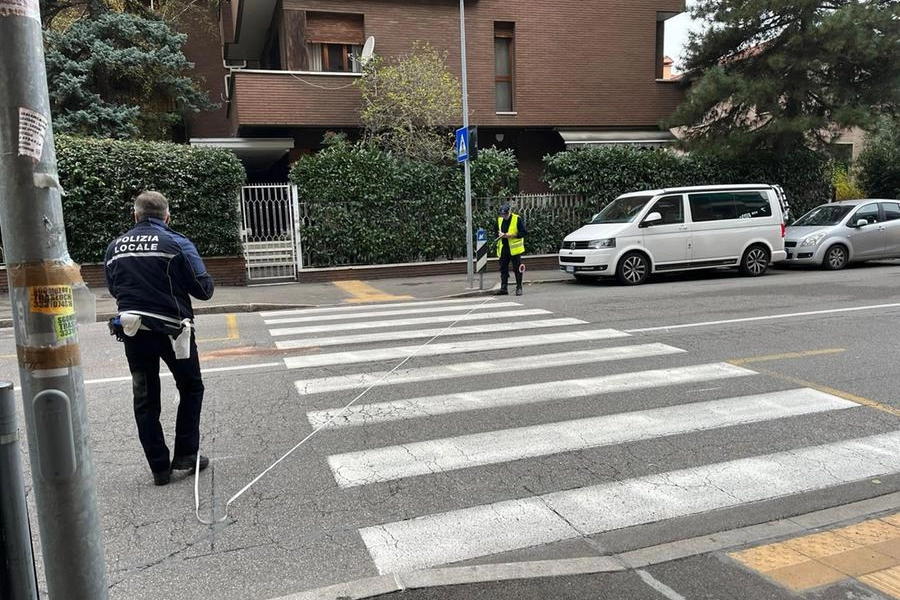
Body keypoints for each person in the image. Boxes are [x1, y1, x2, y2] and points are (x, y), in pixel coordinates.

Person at [105, 191, 215, 486]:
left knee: (145, 397)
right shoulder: (176, 243)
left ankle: (159, 468)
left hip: (132, 331)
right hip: (173, 332)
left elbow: (115, 289)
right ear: (167, 217)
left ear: (135, 216)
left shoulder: (115, 247)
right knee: (191, 387)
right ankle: (186, 457)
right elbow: (204, 289)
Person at [495, 204, 526, 296]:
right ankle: (504, 287)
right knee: (503, 268)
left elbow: (523, 232)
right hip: (503, 248)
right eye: (502, 215)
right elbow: (495, 231)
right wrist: (499, 234)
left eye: (505, 214)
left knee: (517, 269)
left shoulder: (517, 219)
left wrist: (511, 235)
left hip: (514, 250)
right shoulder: (500, 220)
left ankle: (519, 287)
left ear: (509, 212)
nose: (504, 216)